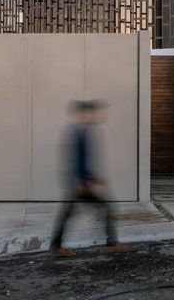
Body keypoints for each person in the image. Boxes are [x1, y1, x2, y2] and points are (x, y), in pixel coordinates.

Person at [50, 99, 128, 256]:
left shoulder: (80, 130)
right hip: (79, 184)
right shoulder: (80, 132)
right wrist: (83, 182)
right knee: (107, 207)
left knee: (67, 214)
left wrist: (94, 177)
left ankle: (56, 246)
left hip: (79, 182)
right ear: (85, 114)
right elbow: (78, 159)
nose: (97, 116)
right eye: (94, 113)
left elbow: (82, 160)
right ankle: (111, 243)